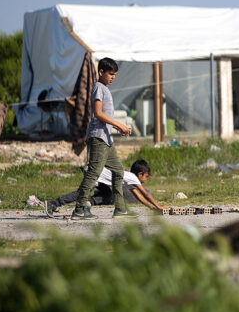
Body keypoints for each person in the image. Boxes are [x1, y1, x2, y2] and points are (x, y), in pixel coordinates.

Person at [71, 57, 132, 220]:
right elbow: (98, 114)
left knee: (118, 171)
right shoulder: (98, 87)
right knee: (94, 173)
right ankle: (79, 208)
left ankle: (120, 209)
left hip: (106, 139)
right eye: (110, 74)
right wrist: (119, 125)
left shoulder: (104, 88)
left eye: (115, 75)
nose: (113, 77)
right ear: (101, 72)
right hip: (98, 138)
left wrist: (118, 128)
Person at [44, 159, 169, 216]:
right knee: (81, 193)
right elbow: (146, 194)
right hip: (96, 173)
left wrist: (152, 208)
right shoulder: (133, 178)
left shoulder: (130, 179)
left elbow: (138, 196)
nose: (145, 180)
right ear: (140, 174)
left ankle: (87, 204)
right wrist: (158, 206)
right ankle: (53, 203)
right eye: (146, 177)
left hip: (100, 176)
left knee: (108, 195)